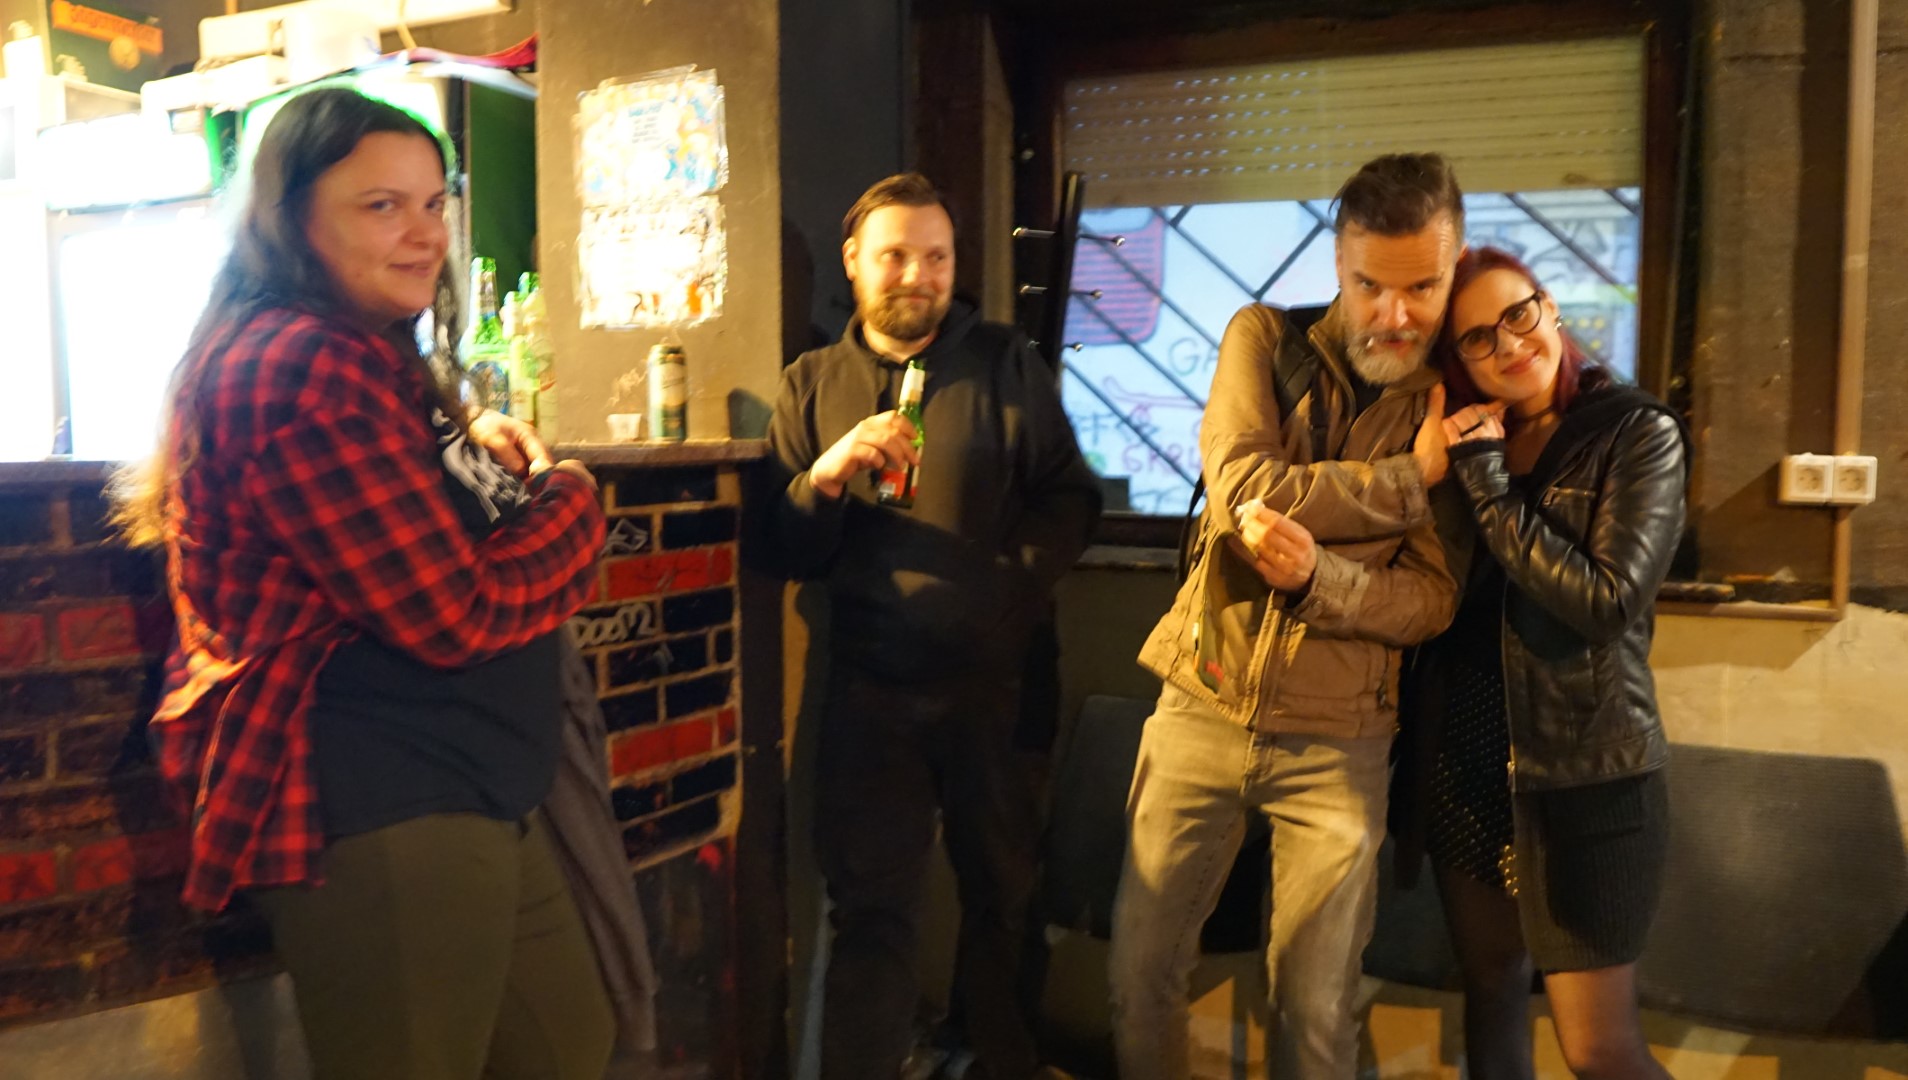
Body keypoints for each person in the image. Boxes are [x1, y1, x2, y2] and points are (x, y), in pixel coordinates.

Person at [110, 88, 615, 1080]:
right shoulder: (295, 366)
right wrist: (575, 500)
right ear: (290, 219)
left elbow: (407, 522)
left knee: (570, 1046)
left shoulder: (358, 350)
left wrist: (468, 448)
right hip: (386, 805)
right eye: (381, 206)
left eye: (432, 204)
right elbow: (455, 613)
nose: (423, 235)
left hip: (465, 786)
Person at [1109, 153, 1468, 1080]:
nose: (1395, 315)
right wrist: (1408, 481)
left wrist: (1319, 582)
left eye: (1422, 288)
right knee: (1140, 977)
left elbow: (1432, 599)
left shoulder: (1452, 400)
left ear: (1453, 269)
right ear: (1339, 264)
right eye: (1371, 285)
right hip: (1202, 702)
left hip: (1342, 742)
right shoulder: (1264, 337)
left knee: (1313, 1012)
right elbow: (1243, 492)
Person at [766, 172, 1101, 1080]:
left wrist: (1006, 589)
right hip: (870, 695)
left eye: (937, 257)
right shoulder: (811, 383)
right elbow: (785, 548)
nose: (918, 274)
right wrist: (824, 476)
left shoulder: (1003, 361)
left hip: (1002, 686)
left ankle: (998, 1064)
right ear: (854, 262)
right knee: (871, 913)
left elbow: (1072, 499)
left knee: (1006, 899)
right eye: (896, 256)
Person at [1417, 246, 1684, 1080]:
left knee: (1599, 1049)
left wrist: (1489, 486)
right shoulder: (1464, 443)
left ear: (1551, 308)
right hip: (1466, 764)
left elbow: (1607, 600)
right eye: (1477, 337)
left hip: (1586, 773)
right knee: (1492, 994)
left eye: (1518, 313)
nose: (1509, 343)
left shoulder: (1634, 431)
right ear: (1458, 360)